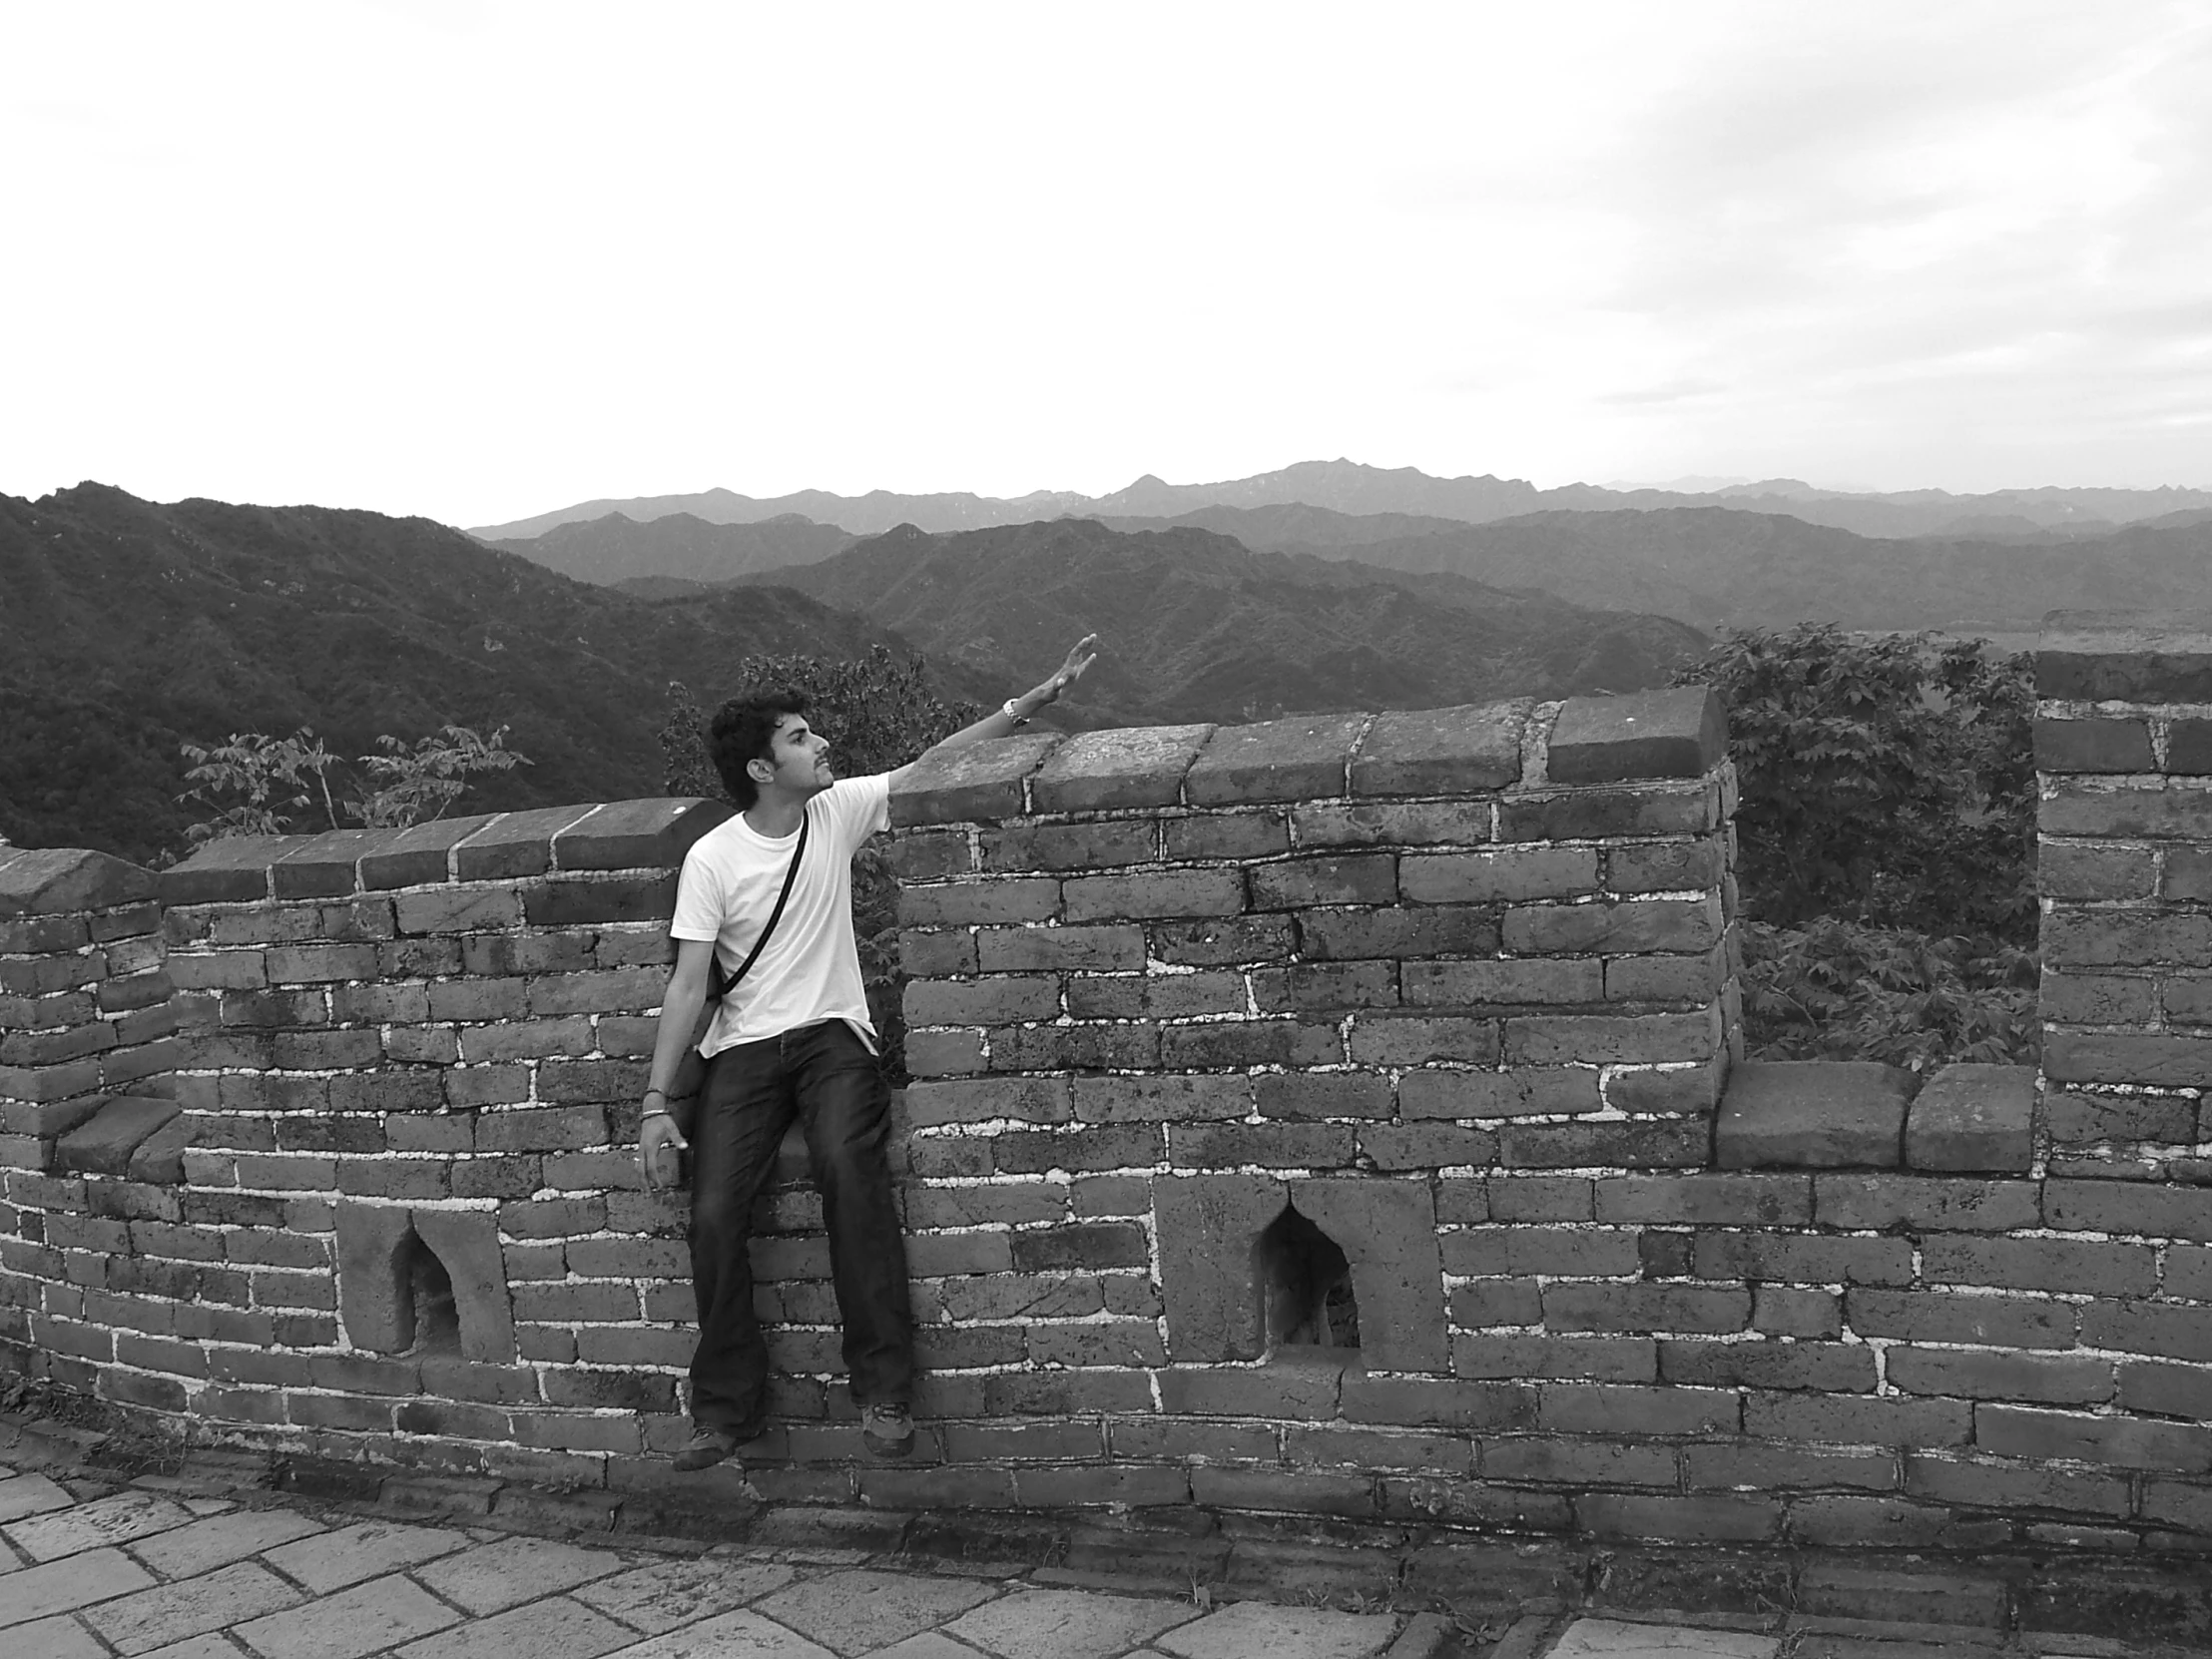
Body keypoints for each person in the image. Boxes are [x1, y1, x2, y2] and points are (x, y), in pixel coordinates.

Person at [637, 635, 1101, 1471]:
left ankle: (883, 1392)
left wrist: (1030, 702)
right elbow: (687, 986)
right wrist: (654, 1103)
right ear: (759, 768)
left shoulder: (838, 810)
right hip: (742, 1048)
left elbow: (931, 766)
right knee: (711, 1215)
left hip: (832, 1039)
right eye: (799, 738)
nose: (821, 746)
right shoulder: (713, 859)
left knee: (850, 1175)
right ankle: (724, 1410)